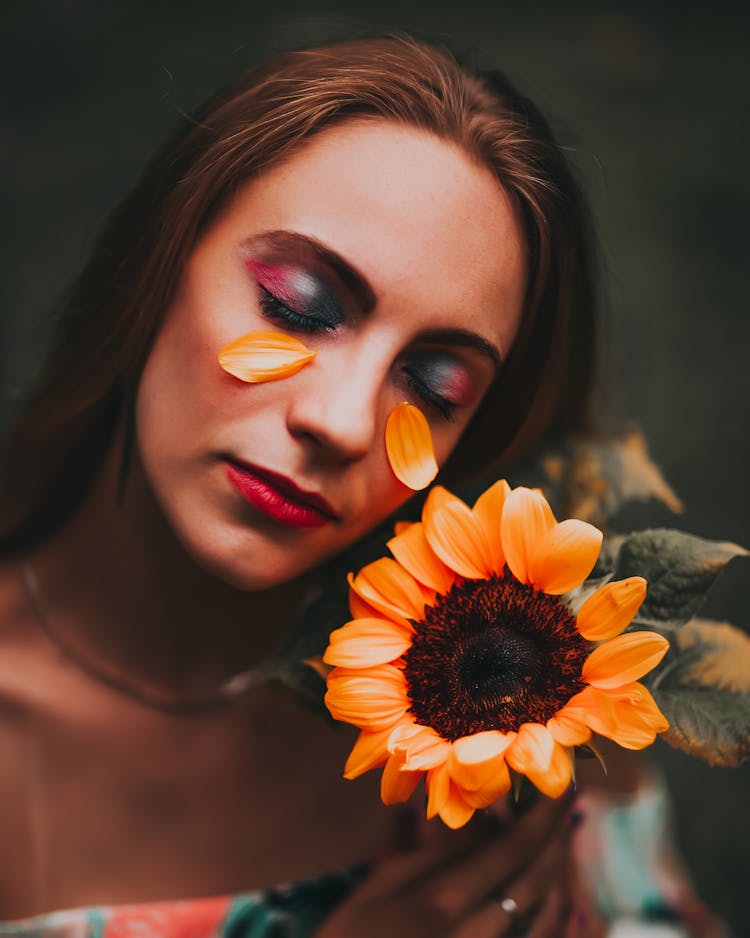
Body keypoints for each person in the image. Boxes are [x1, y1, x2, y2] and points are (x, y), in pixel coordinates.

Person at [0, 31, 650, 936]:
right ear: (162, 257)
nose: (342, 423)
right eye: (298, 305)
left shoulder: (516, 720)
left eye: (434, 387)